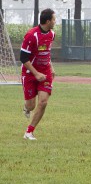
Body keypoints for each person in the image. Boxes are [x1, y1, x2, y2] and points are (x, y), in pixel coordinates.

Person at [21, 8, 56, 140]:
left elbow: (47, 52)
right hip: (30, 72)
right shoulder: (31, 35)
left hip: (45, 72)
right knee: (31, 105)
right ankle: (26, 107)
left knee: (43, 102)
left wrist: (51, 67)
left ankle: (29, 132)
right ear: (48, 21)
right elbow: (23, 58)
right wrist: (36, 74)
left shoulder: (52, 34)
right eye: (54, 19)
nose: (55, 21)